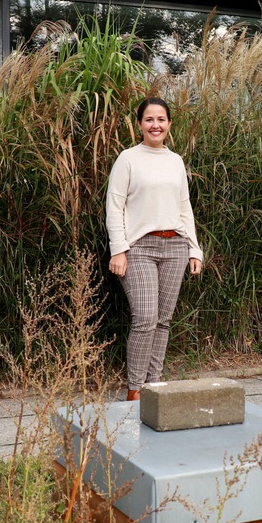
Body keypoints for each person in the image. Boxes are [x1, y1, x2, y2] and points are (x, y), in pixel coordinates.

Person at [106, 97, 204, 401]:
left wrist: (194, 249)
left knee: (163, 320)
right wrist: (118, 249)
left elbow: (184, 206)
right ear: (139, 124)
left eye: (161, 119)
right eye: (149, 119)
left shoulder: (175, 160)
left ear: (169, 124)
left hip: (175, 245)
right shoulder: (128, 158)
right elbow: (114, 205)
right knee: (146, 317)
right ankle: (135, 390)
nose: (155, 125)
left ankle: (154, 385)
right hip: (139, 248)